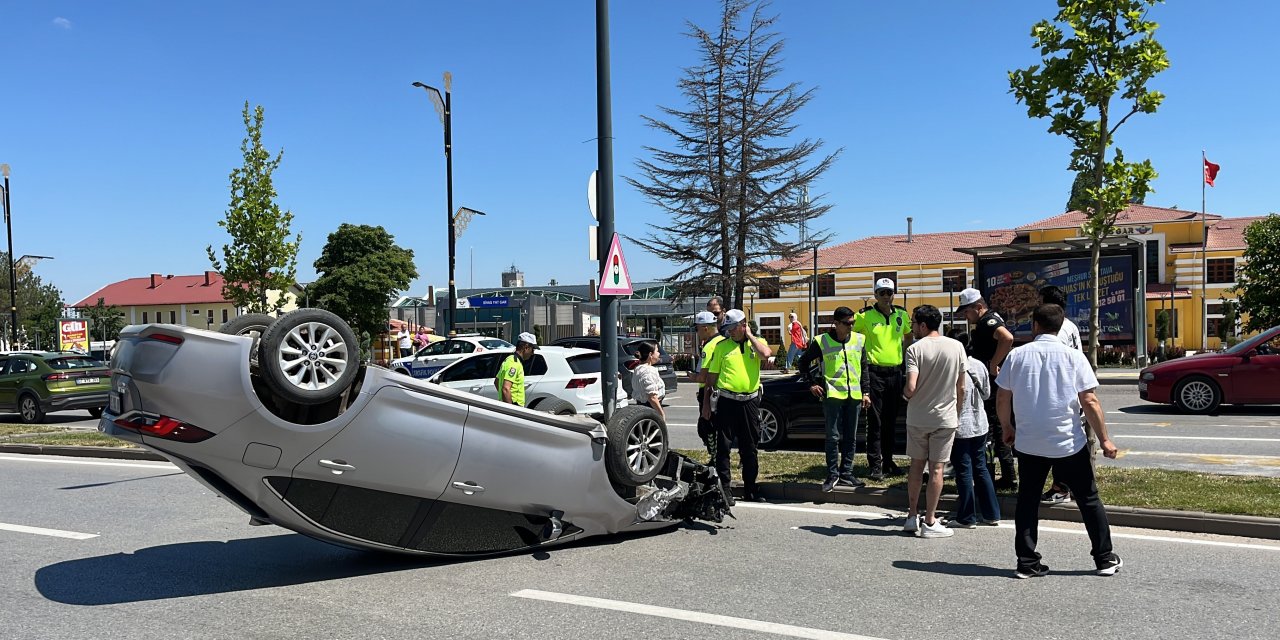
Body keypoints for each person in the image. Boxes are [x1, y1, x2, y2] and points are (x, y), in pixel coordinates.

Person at [997, 303, 1122, 579]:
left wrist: (1007, 427)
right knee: (1088, 499)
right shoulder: (1074, 357)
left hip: (1029, 442)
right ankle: (1104, 558)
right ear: (1061, 326)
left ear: (1035, 325)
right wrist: (1104, 439)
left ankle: (1027, 562)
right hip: (1069, 442)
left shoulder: (1017, 356)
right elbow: (1089, 400)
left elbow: (1003, 397)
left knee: (1028, 501)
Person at [901, 305, 967, 538]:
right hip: (945, 417)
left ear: (922, 325)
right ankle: (930, 520)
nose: (911, 327)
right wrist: (957, 412)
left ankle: (911, 516)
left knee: (916, 466)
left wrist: (906, 395)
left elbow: (911, 387)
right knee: (937, 468)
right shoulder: (957, 346)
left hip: (918, 416)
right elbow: (961, 387)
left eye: (913, 322)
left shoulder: (914, 349)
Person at [701, 309, 772, 503]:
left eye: (733, 328)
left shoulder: (757, 344)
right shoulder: (722, 347)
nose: (730, 332)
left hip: (749, 402)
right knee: (723, 448)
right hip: (726, 402)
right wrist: (706, 404)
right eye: (727, 329)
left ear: (743, 325)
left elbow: (766, 354)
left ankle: (751, 488)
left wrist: (749, 335)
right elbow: (711, 379)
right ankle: (725, 491)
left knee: (750, 448)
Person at [797, 306, 869, 492]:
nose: (851, 327)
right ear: (835, 324)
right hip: (833, 395)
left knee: (851, 437)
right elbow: (803, 362)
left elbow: (864, 368)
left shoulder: (859, 340)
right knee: (833, 437)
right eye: (847, 324)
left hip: (854, 395)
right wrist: (811, 384)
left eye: (852, 323)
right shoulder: (822, 341)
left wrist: (866, 392)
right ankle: (832, 474)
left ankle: (847, 473)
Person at [955, 287, 1017, 489]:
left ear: (978, 307)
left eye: (967, 311)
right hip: (992, 384)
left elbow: (1007, 338)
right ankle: (1005, 475)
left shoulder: (988, 321)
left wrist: (993, 364)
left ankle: (1000, 476)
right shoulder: (989, 319)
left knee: (992, 430)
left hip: (991, 385)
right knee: (997, 428)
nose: (965, 316)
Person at [853, 277, 912, 480]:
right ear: (875, 296)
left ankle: (888, 461)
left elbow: (908, 336)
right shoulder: (864, 316)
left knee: (891, 420)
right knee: (875, 421)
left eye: (889, 293)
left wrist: (904, 361)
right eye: (882, 293)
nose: (886, 296)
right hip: (874, 373)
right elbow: (850, 335)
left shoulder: (902, 315)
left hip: (895, 373)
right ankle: (875, 465)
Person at [1039, 285, 1089, 506]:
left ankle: (1061, 488)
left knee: (1058, 442)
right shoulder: (1071, 326)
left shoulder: (1057, 330)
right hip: (1071, 390)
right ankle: (1070, 486)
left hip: (1062, 392)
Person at [946, 329, 1001, 528]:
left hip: (959, 425)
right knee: (981, 468)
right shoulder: (978, 364)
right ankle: (991, 513)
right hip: (980, 423)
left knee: (963, 471)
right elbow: (986, 394)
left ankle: (967, 516)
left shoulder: (951, 366)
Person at [691, 311, 725, 458]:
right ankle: (720, 458)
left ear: (705, 328)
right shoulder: (724, 341)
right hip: (722, 391)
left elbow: (703, 377)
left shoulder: (710, 346)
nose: (697, 332)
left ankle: (715, 459)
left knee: (706, 428)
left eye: (697, 328)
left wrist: (692, 376)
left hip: (709, 392)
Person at [495, 332, 537, 407]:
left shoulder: (510, 359)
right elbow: (505, 388)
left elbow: (497, 381)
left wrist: (503, 399)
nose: (532, 353)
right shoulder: (514, 363)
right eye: (532, 349)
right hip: (515, 406)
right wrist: (511, 408)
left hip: (510, 405)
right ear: (526, 347)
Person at [631, 341, 666, 422]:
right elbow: (652, 397)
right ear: (650, 355)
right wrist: (661, 414)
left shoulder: (638, 369)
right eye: (657, 351)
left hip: (641, 407)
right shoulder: (649, 371)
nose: (659, 354)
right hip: (650, 409)